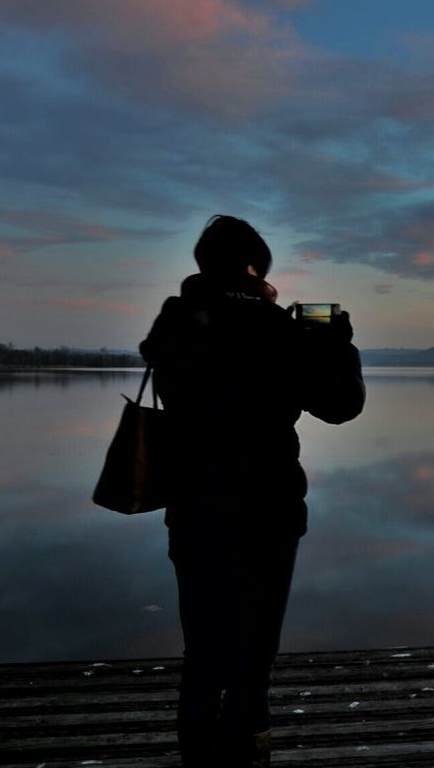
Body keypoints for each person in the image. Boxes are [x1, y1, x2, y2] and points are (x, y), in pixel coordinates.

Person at [139, 215, 365, 767]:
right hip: (269, 510)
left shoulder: (175, 324)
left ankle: (197, 757)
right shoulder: (277, 329)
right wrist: (339, 346)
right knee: (253, 659)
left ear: (202, 265)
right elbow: (341, 406)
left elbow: (166, 361)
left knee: (202, 656)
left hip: (193, 507)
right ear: (255, 267)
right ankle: (247, 754)